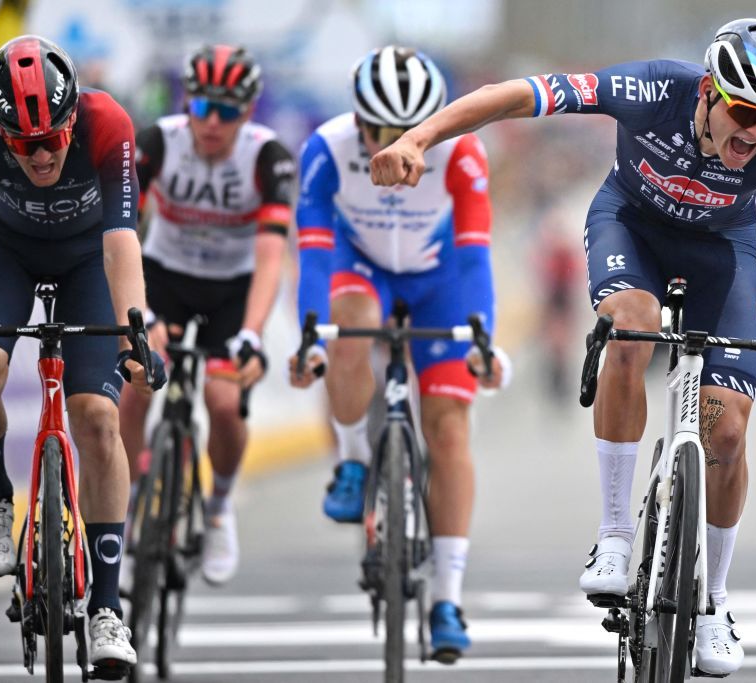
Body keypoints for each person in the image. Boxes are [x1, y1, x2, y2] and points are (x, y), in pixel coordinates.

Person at [370, 19, 756, 676]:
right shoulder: (649, 90)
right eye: (745, 112)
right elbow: (515, 95)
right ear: (707, 92)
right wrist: (416, 137)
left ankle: (715, 602)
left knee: (726, 432)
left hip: (723, 256)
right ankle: (613, 535)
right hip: (630, 227)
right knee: (632, 328)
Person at [0, 35, 167, 672]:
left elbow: (123, 241)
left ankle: (108, 609)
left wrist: (135, 334)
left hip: (89, 258)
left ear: (72, 121)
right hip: (6, 252)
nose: (41, 154)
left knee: (97, 417)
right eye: (24, 143)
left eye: (53, 139)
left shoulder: (108, 122)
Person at [288, 45, 510, 663]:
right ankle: (356, 460)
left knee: (448, 427)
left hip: (439, 280)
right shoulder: (327, 150)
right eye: (380, 131)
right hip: (363, 269)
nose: (394, 146)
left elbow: (473, 255)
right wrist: (311, 334)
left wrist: (482, 338)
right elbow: (312, 249)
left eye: (408, 132)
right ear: (357, 120)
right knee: (349, 321)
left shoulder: (461, 150)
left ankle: (446, 598)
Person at [118, 44, 293, 585]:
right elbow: (120, 232)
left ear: (247, 111)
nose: (212, 123)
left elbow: (270, 257)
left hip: (232, 287)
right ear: (187, 102)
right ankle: (121, 515)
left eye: (228, 111)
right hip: (163, 274)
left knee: (222, 401)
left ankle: (217, 508)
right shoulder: (157, 143)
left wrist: (251, 334)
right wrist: (140, 312)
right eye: (202, 108)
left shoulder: (268, 157)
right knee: (134, 382)